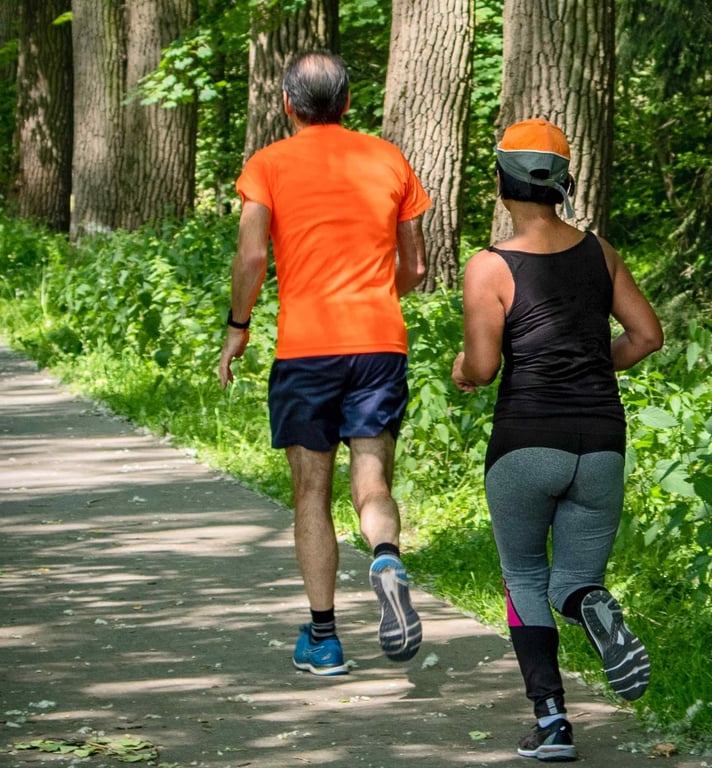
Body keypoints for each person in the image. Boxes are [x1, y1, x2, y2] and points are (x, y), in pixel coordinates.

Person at [452, 118, 663, 762]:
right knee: (572, 581)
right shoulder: (599, 252)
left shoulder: (489, 266)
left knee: (523, 578)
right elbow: (647, 336)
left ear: (501, 182)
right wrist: (593, 363)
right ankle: (593, 604)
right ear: (561, 182)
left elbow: (483, 368)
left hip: (525, 441)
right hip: (600, 442)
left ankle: (551, 723)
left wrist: (461, 370)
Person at [218, 51, 431, 675]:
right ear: (346, 102)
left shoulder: (267, 165)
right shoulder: (387, 158)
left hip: (307, 349)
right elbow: (413, 268)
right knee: (373, 477)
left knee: (312, 492)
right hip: (378, 344)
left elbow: (253, 258)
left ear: (288, 103)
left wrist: (238, 326)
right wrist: (376, 298)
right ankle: (386, 557)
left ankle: (325, 638)